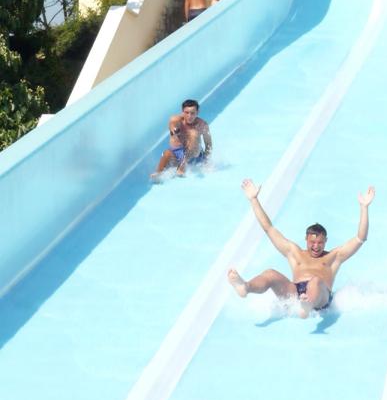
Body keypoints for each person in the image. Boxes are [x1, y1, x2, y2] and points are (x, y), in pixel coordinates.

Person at [228, 179, 375, 318]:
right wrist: (254, 200)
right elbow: (269, 229)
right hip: (295, 292)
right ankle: (246, 287)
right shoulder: (295, 253)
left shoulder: (333, 257)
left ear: (326, 241)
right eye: (312, 242)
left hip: (320, 296)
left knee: (316, 281)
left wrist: (364, 208)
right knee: (270, 273)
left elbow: (360, 238)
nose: (316, 246)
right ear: (306, 239)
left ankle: (307, 305)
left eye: (320, 243)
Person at [150, 99, 212, 180]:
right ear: (182, 112)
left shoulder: (202, 125)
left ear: (197, 112)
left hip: (194, 156)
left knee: (193, 134)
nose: (189, 116)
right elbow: (172, 127)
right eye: (186, 113)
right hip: (178, 155)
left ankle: (183, 164)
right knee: (166, 153)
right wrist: (175, 130)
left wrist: (206, 160)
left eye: (192, 113)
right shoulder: (176, 120)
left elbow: (208, 144)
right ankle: (158, 173)